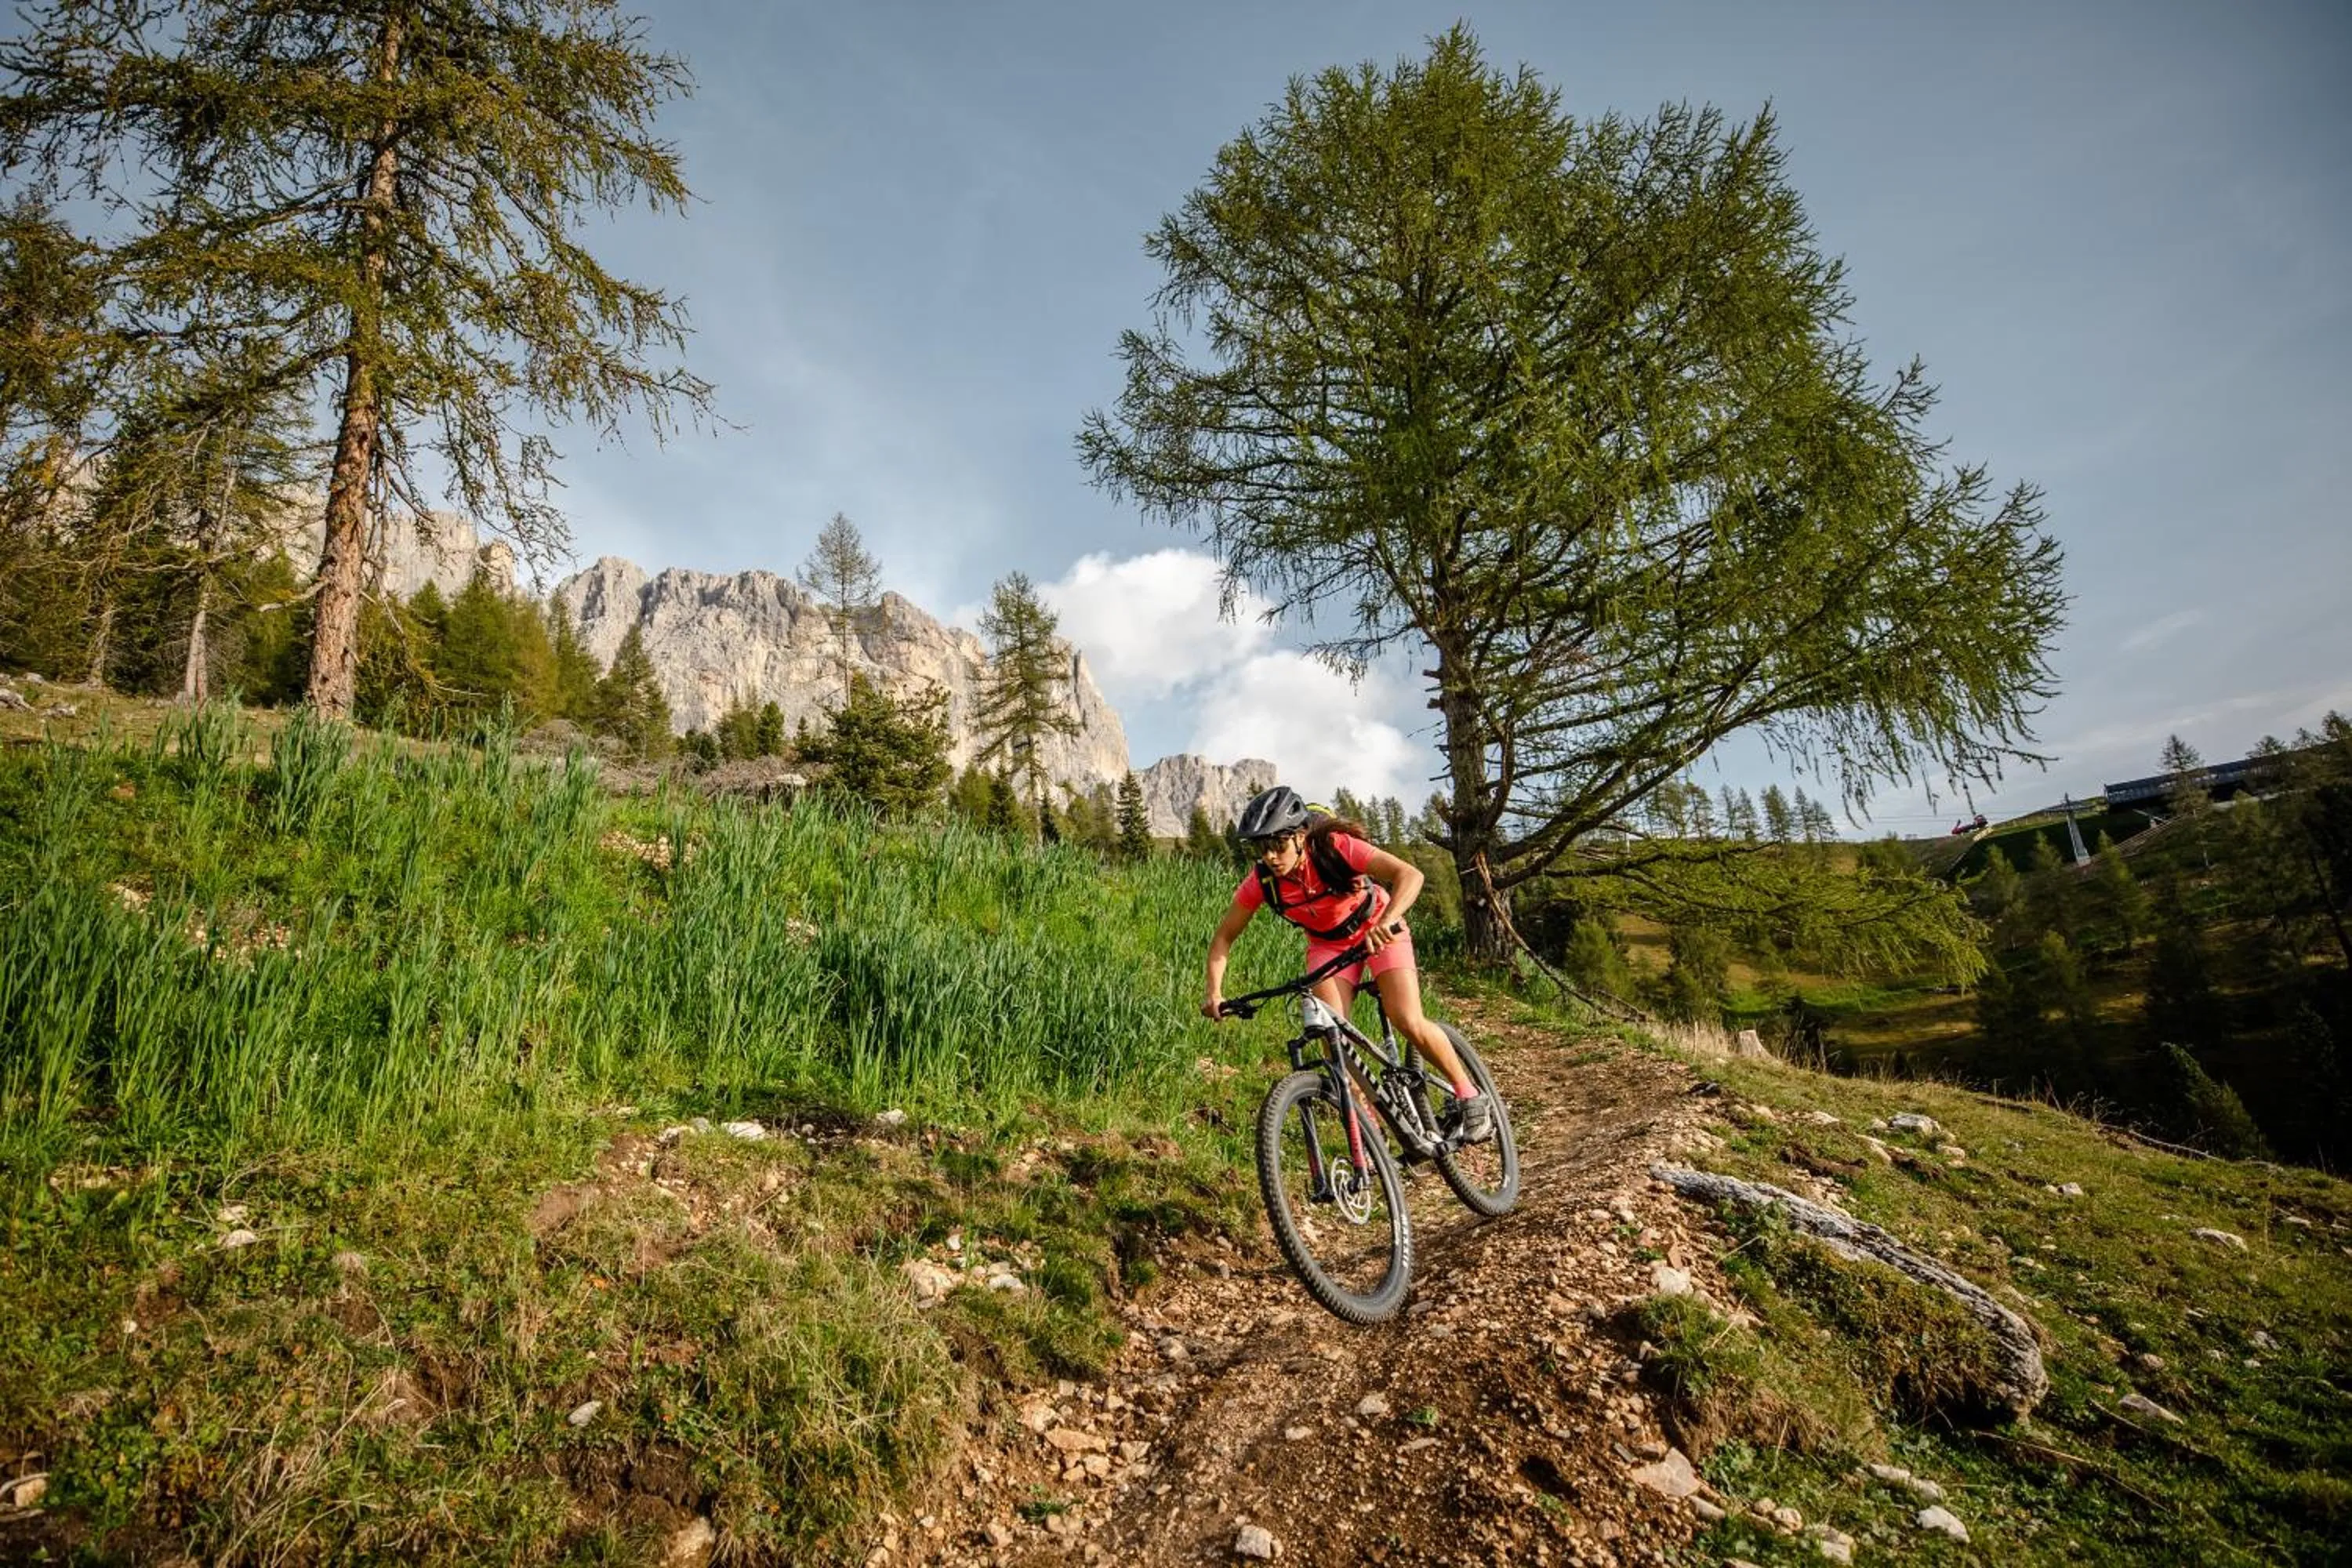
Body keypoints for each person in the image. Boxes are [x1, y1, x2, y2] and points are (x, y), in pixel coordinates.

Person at [1201, 785, 1494, 1142]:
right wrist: (1215, 993)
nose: (1271, 858)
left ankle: (1470, 1095)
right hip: (1328, 946)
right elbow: (1223, 938)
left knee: (1406, 1018)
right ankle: (1369, 1131)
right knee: (1331, 1038)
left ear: (1300, 837)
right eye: (1262, 849)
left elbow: (1410, 876)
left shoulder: (1335, 848)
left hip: (1377, 925)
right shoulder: (1262, 883)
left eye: (1278, 845)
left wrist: (1387, 922)